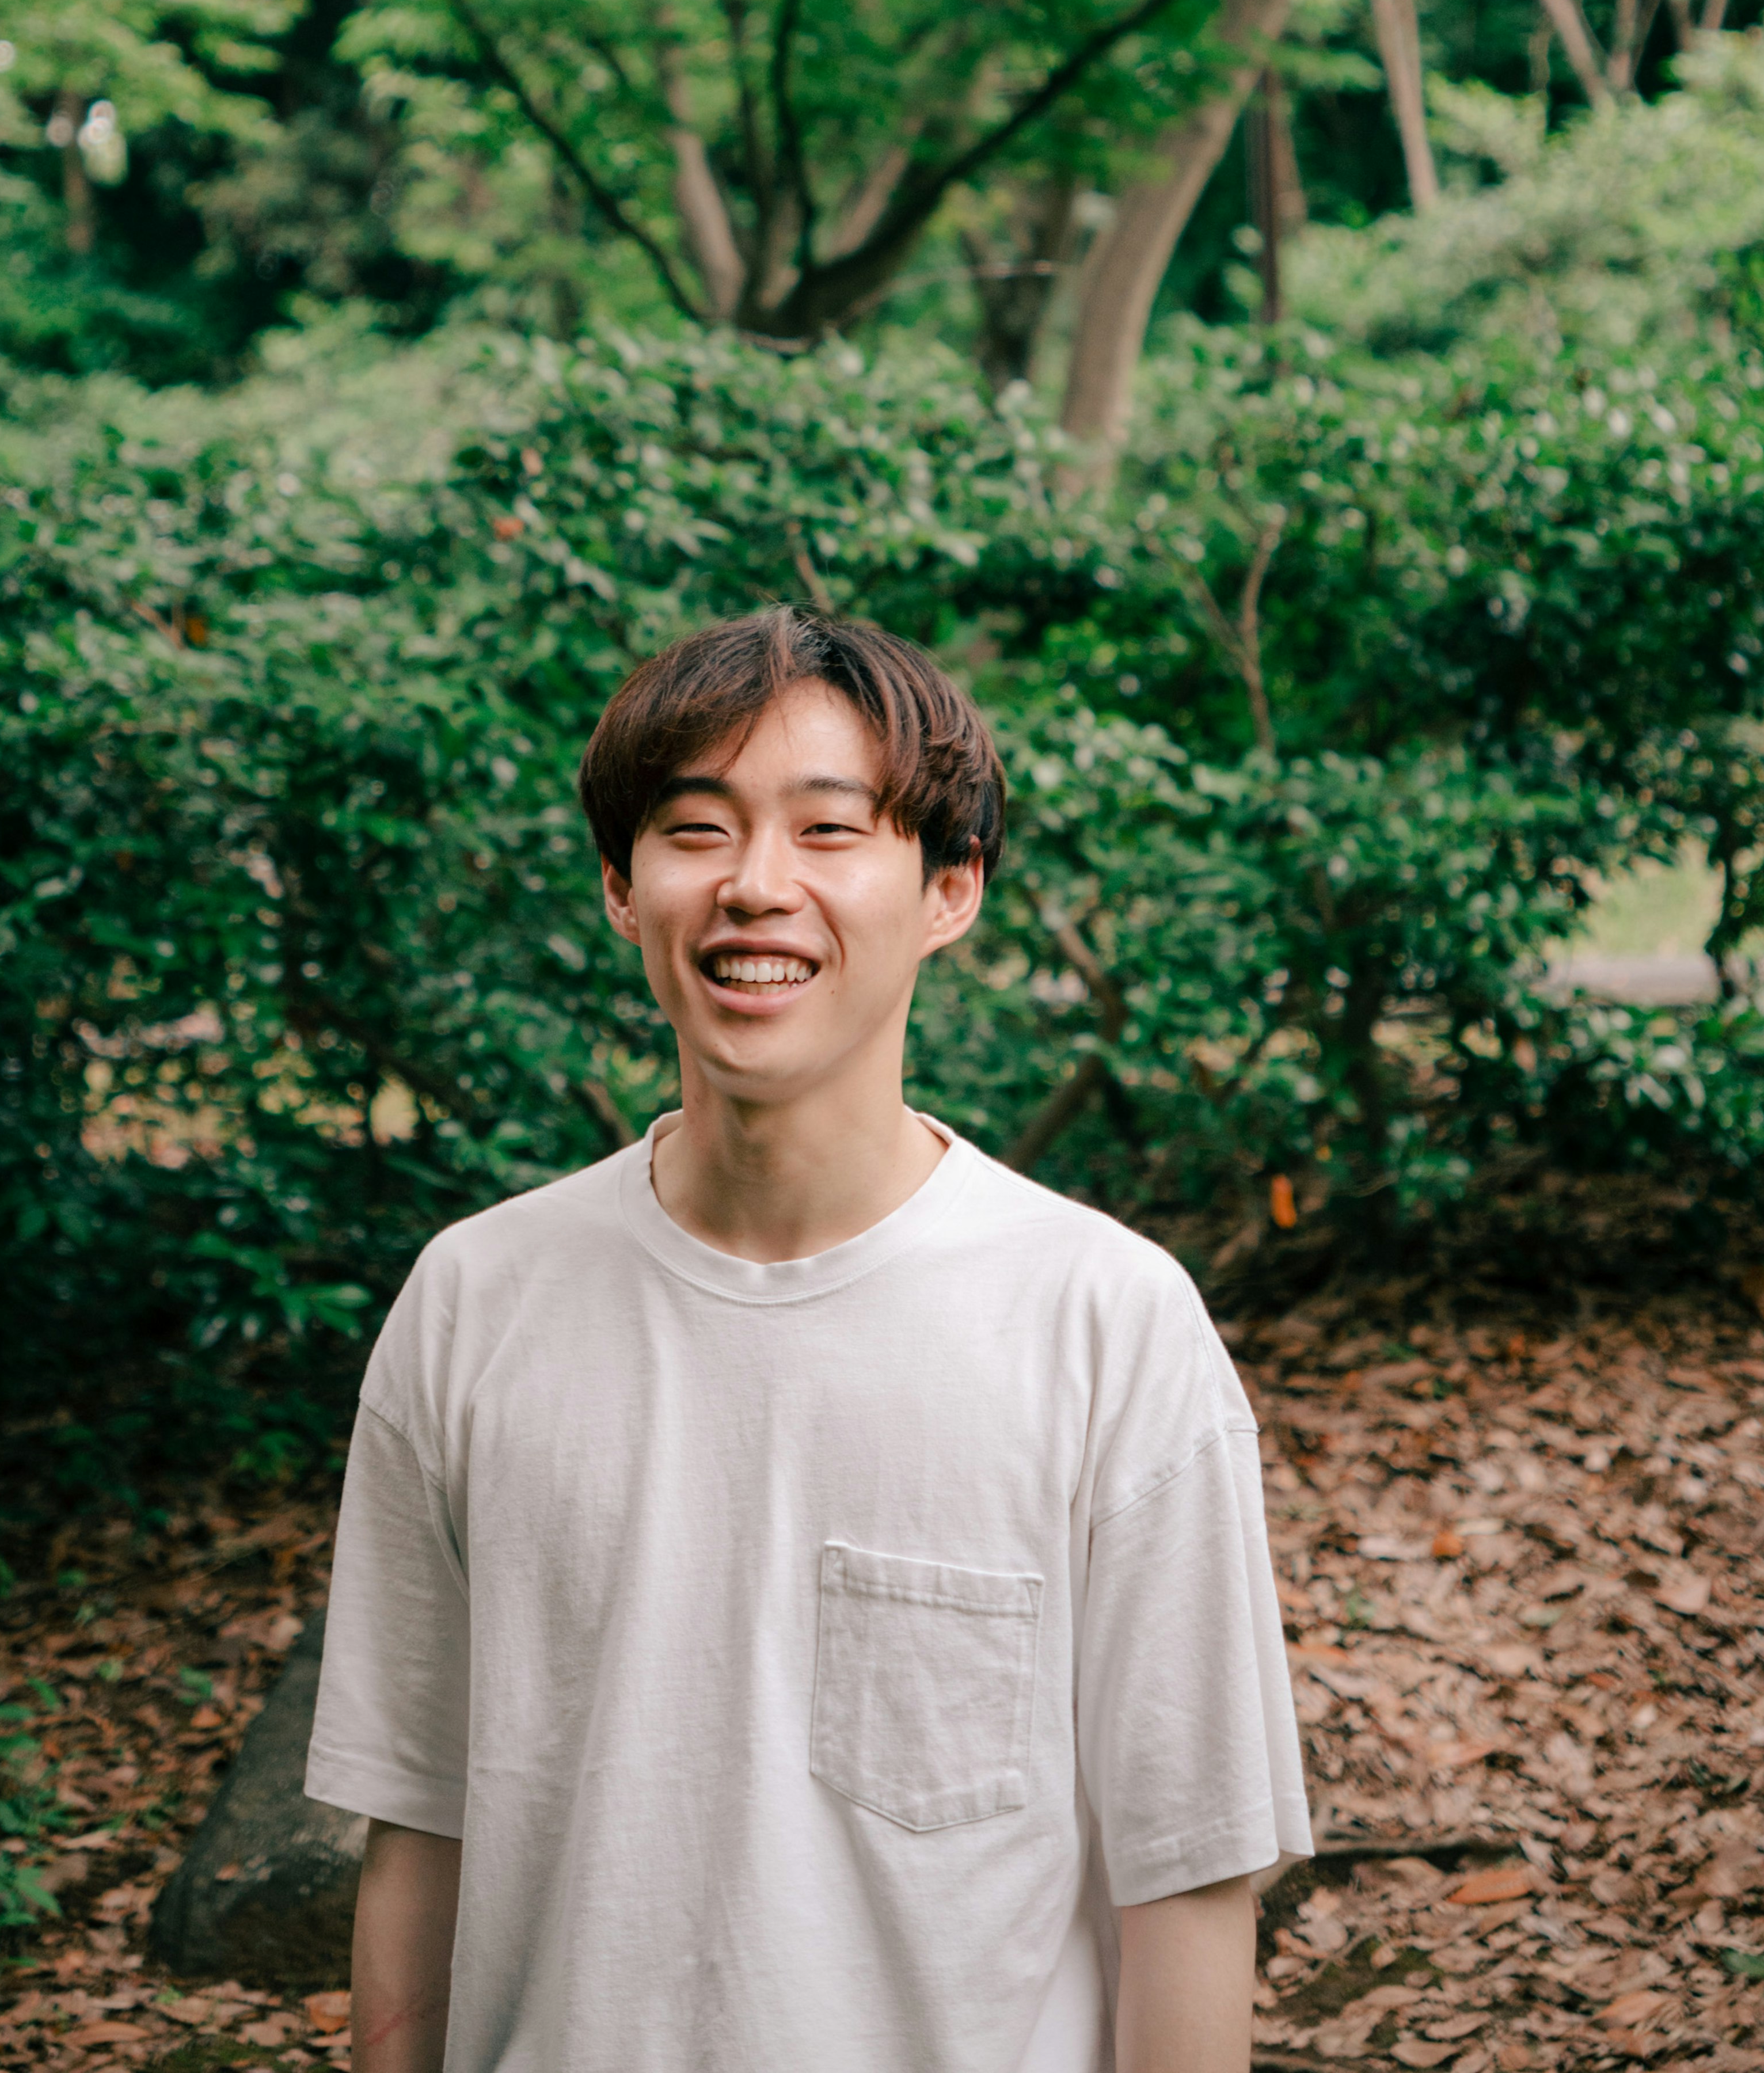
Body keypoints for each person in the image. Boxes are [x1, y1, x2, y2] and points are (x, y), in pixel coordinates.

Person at [306, 608, 1310, 2073]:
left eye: (830, 831)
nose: (755, 889)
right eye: (695, 831)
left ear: (950, 887)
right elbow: (418, 1828)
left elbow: (1193, 1878)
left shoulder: (1108, 1322)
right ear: (620, 888)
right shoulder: (475, 1301)